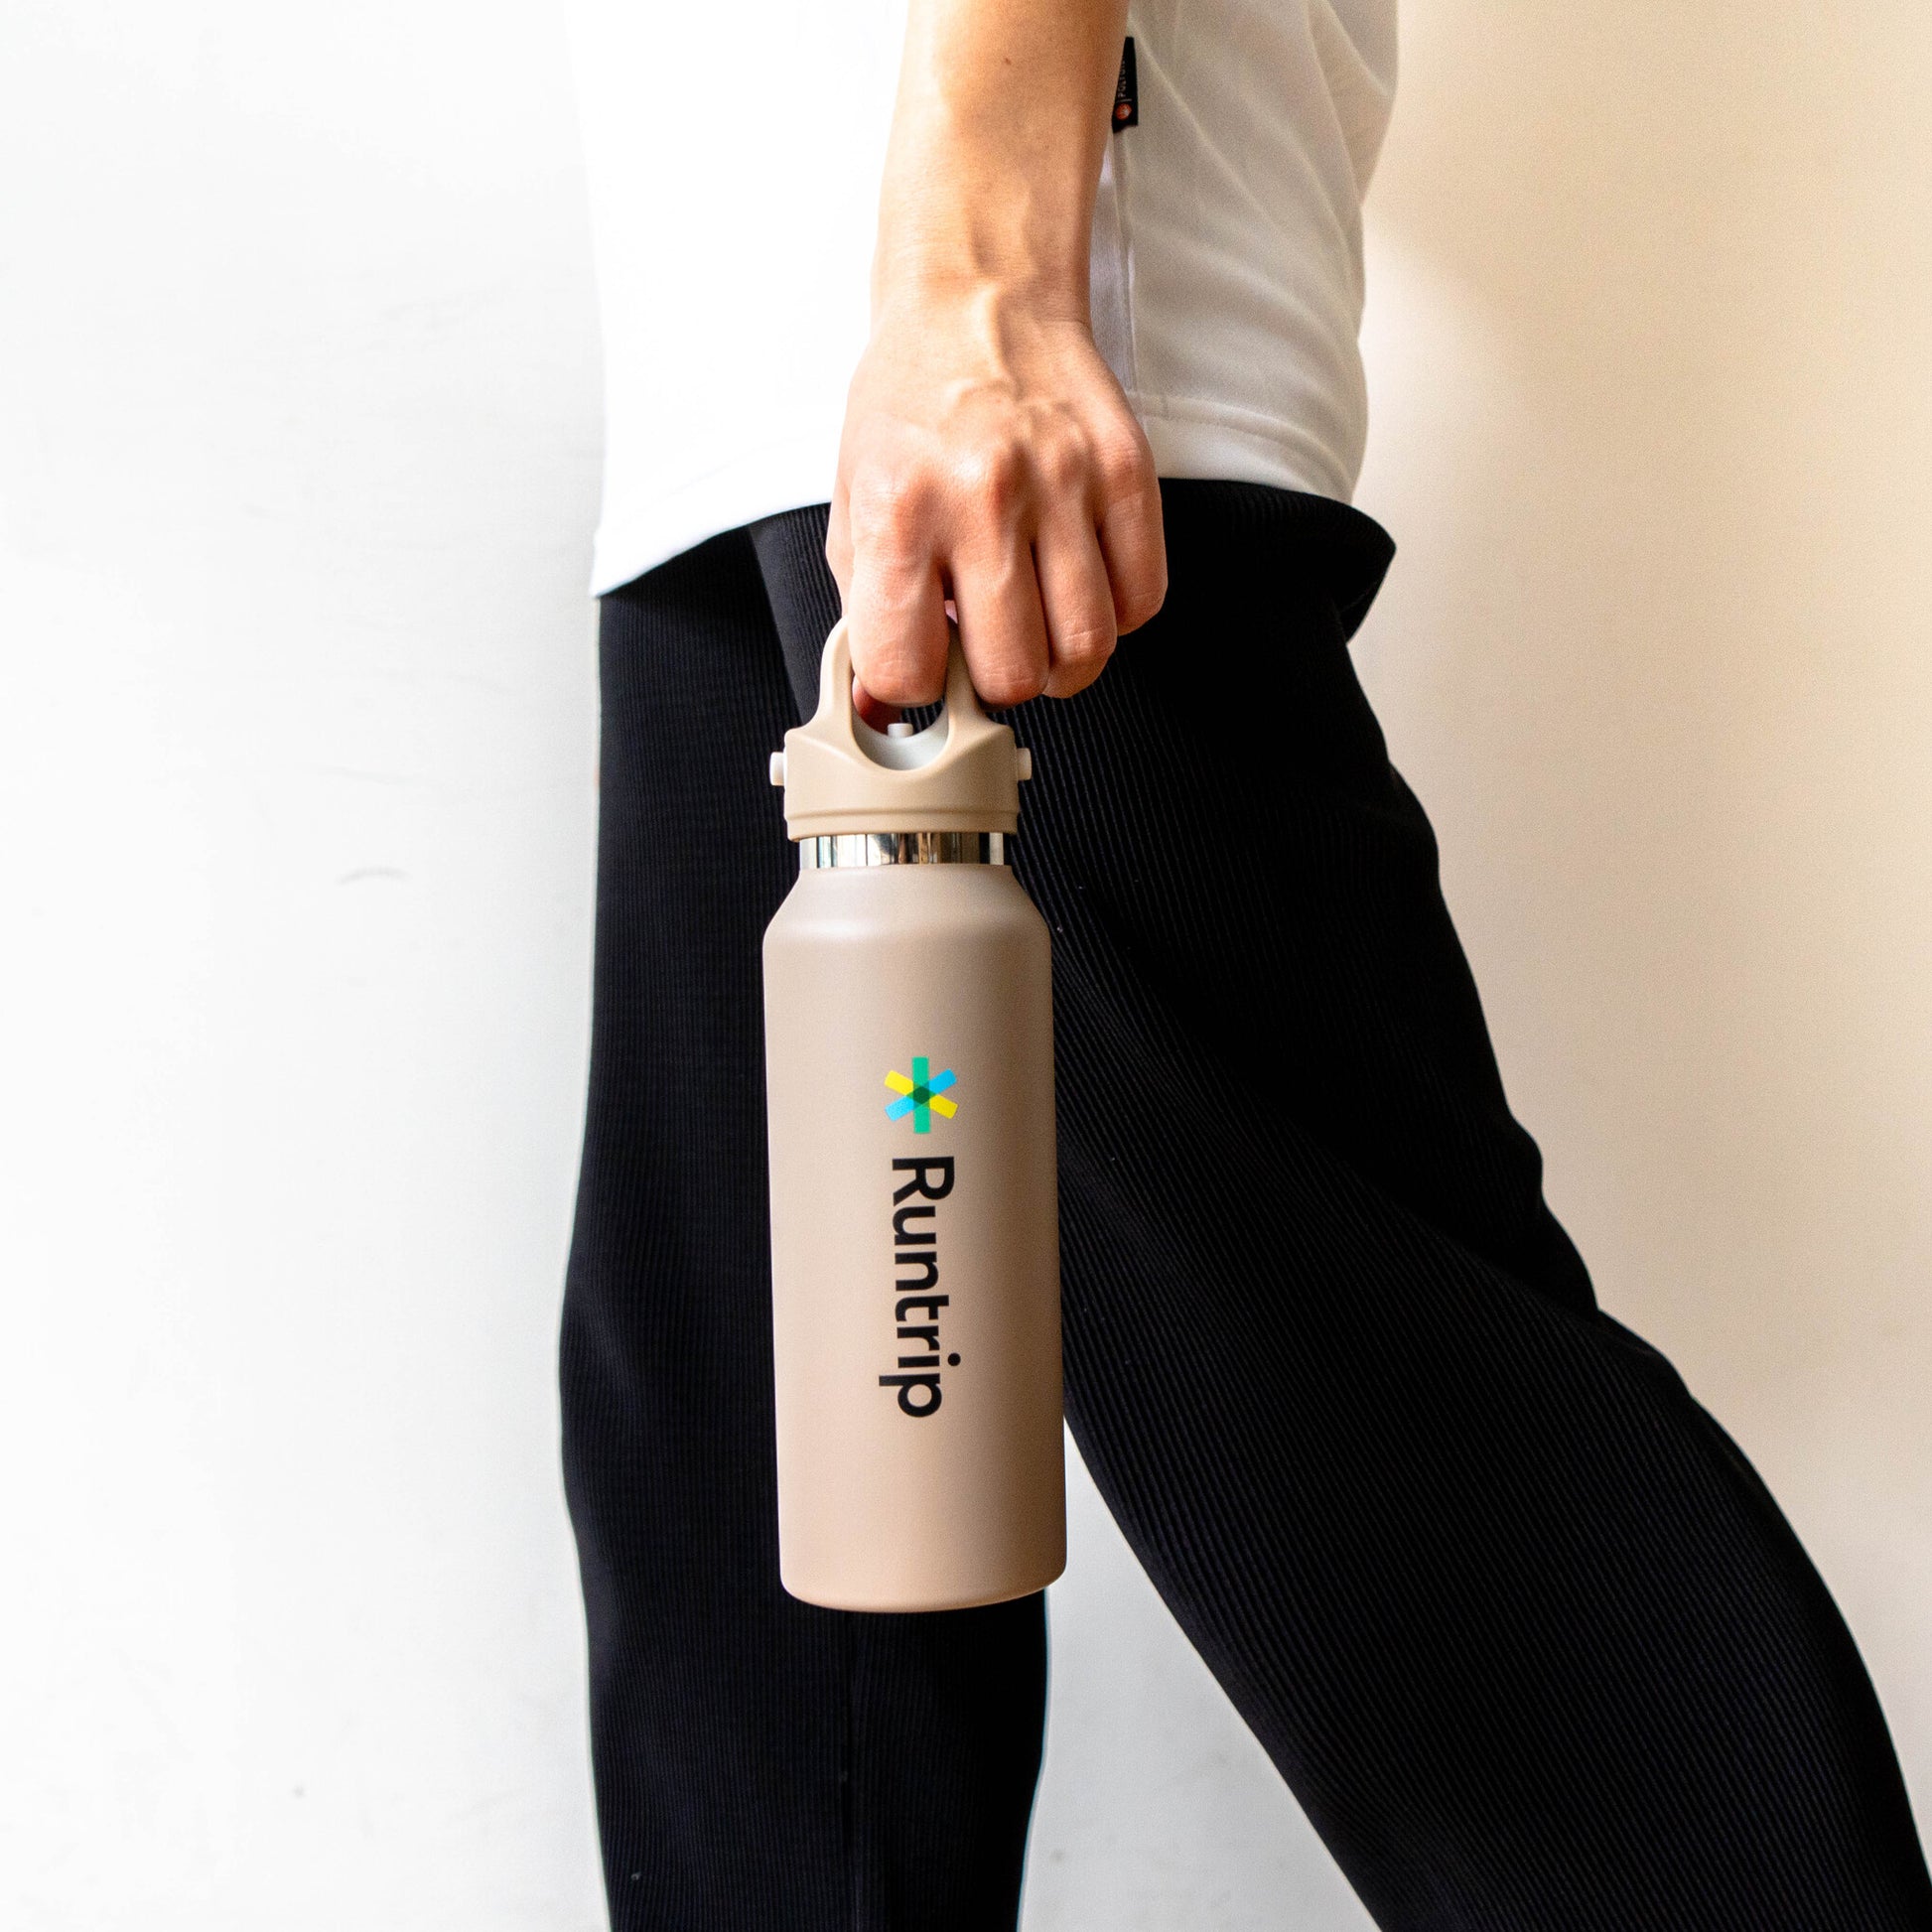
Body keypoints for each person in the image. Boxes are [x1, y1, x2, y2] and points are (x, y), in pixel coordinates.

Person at [557, 1, 1932, 1926]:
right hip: (741, 363)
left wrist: (984, 261)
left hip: (992, 317)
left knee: (1414, 1510)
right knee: (758, 1578)